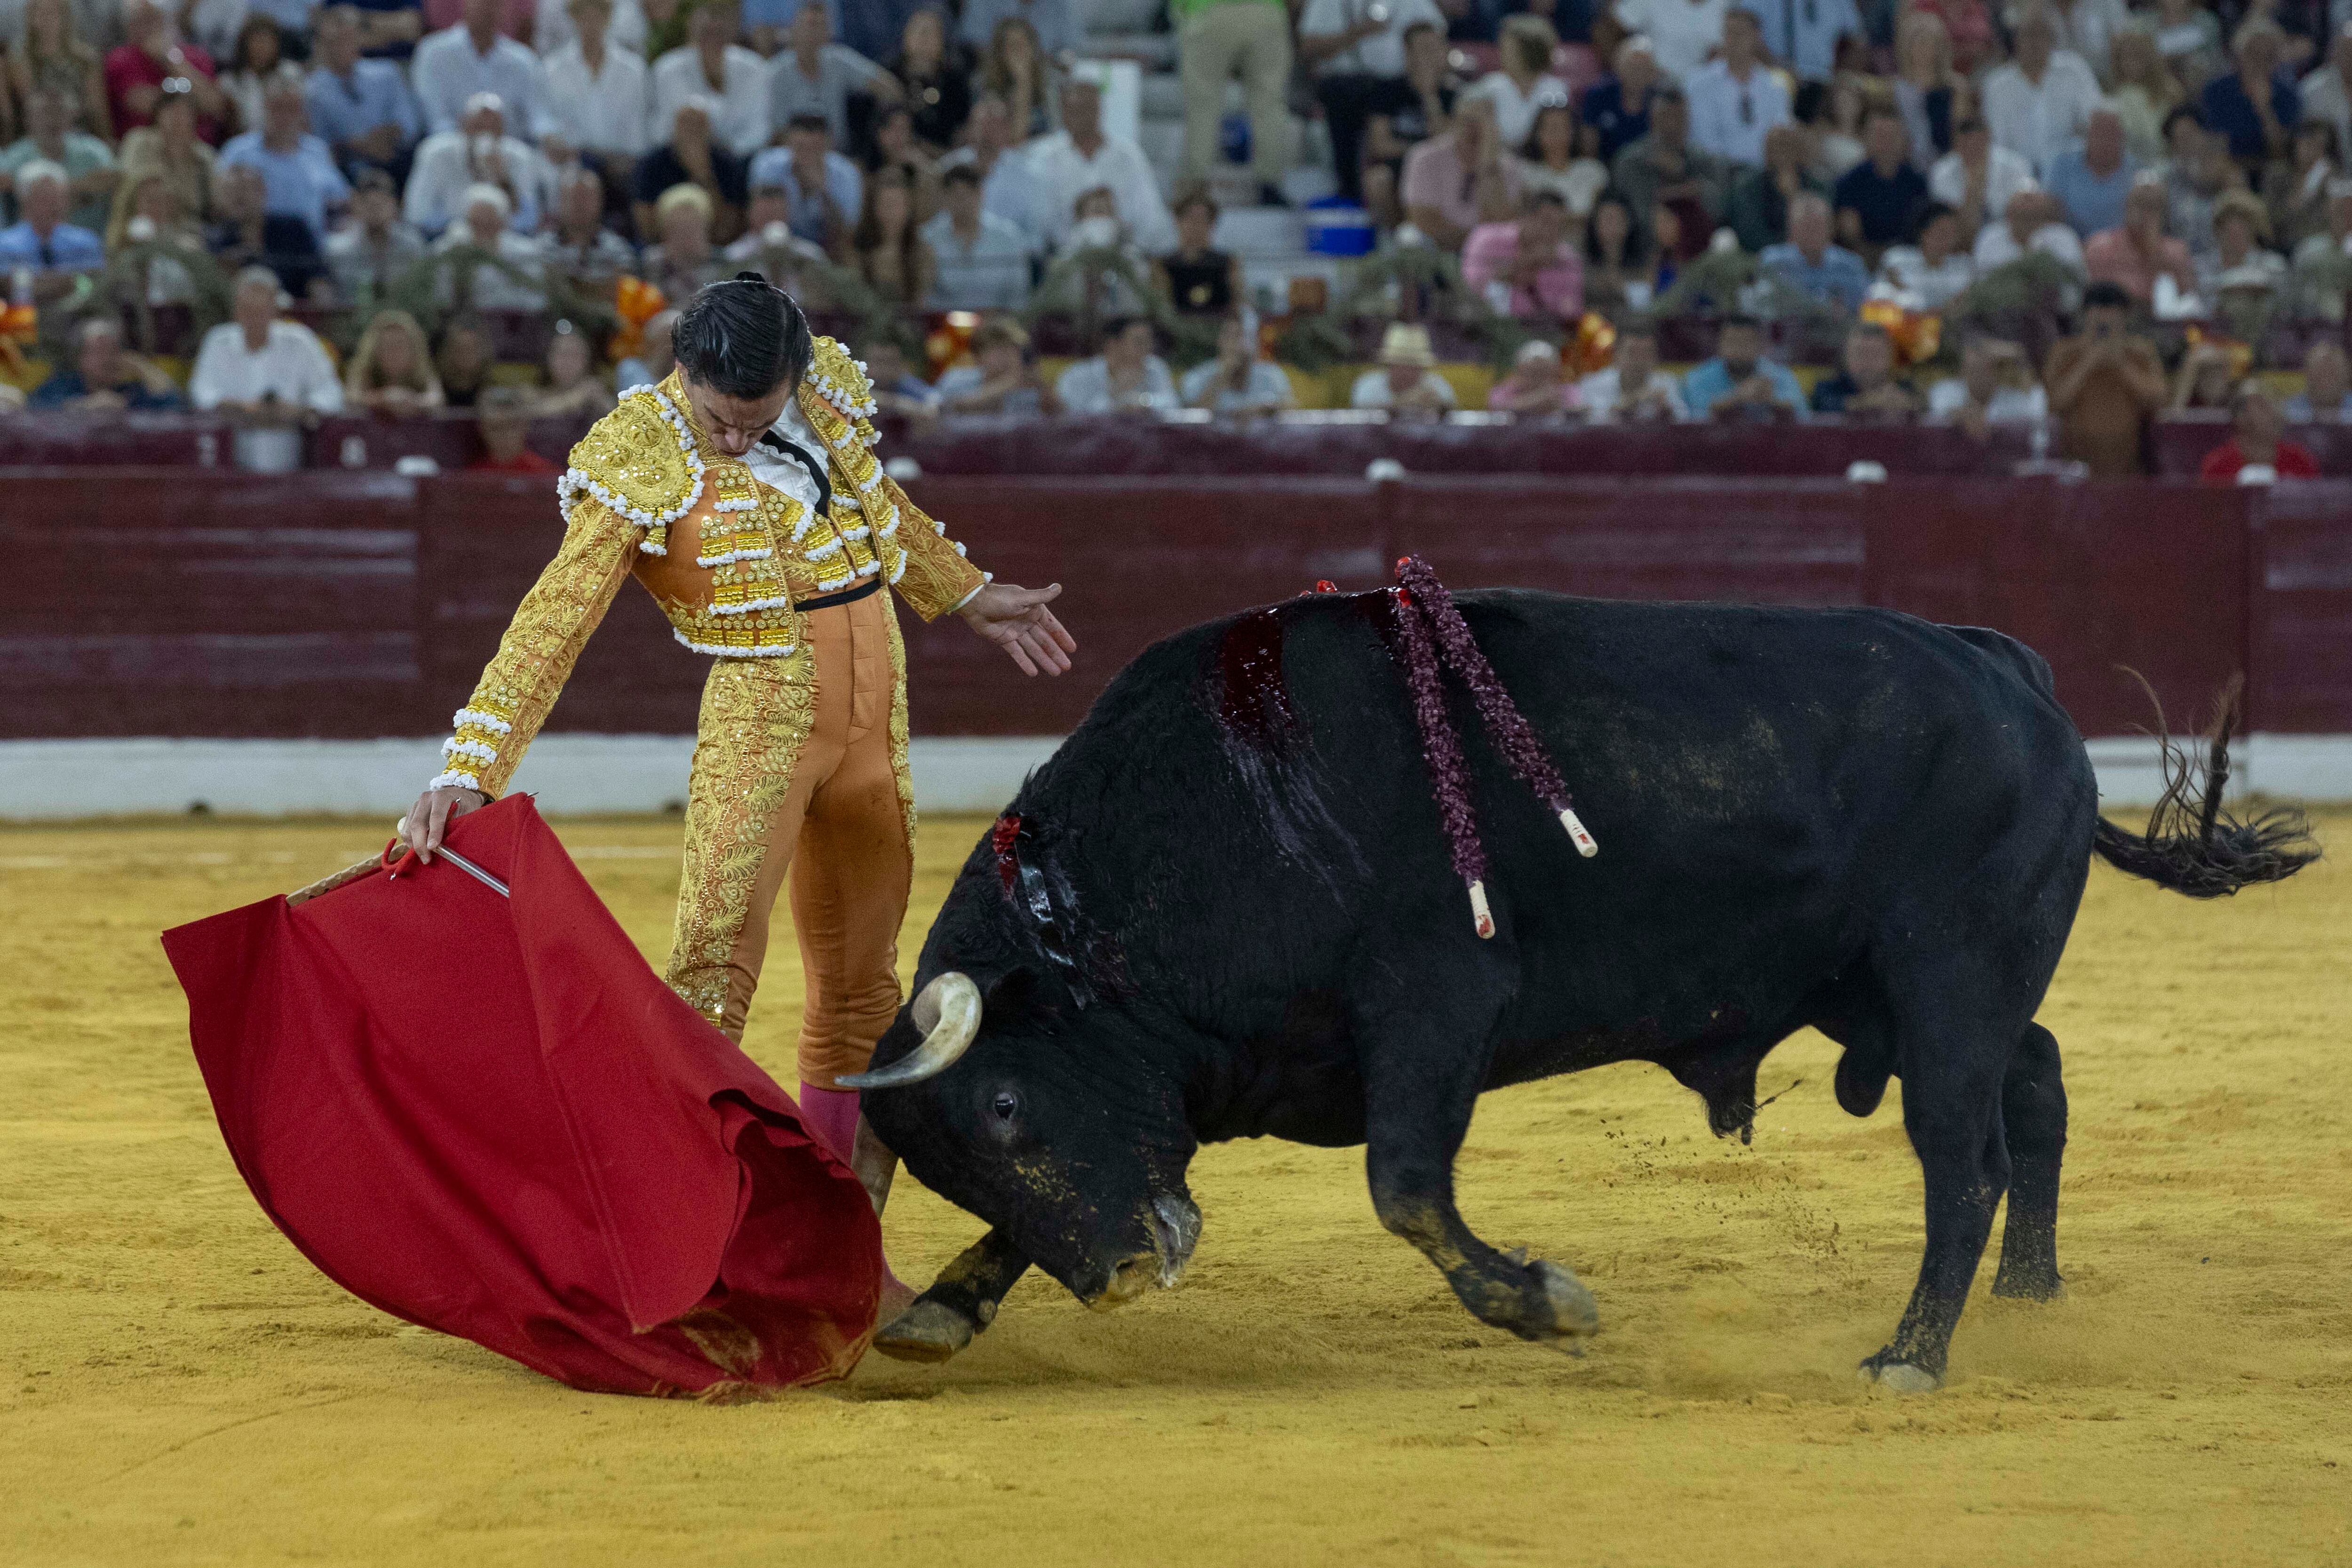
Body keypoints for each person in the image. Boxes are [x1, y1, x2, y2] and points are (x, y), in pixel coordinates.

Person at [402, 279, 1075, 1293]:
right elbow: (554, 622)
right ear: (687, 374)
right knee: (711, 973)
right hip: (760, 716)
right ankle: (682, 1243)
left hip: (875, 711)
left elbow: (876, 506)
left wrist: (964, 593)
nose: (729, 441)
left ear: (795, 378)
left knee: (863, 989)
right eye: (718, 419)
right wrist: (469, 769)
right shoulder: (638, 450)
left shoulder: (825, 397)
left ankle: (837, 1253)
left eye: (752, 421)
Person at [1297, 0, 1450, 204]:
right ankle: (1349, 191)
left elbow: (1436, 35)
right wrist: (1359, 31)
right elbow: (1308, 47)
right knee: (1342, 93)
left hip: (1406, 82)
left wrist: (1429, 91)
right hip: (1356, 84)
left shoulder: (1450, 92)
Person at [1029, 75, 1175, 255]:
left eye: (1084, 109)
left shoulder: (1129, 157)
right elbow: (1040, 223)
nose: (1076, 116)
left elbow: (1151, 219)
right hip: (1065, 260)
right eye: (1070, 109)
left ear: (1098, 110)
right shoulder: (1044, 157)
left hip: (1122, 256)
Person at [2043, 278, 2165, 474]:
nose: (2104, 318)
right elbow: (2055, 403)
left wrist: (2122, 365)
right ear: (2085, 316)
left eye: (2111, 310)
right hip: (2077, 470)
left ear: (2125, 316)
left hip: (2129, 471)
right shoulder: (2065, 353)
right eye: (2098, 309)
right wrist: (2089, 362)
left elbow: (2158, 400)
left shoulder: (2140, 352)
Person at [218, 68, 353, 244]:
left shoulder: (318, 151)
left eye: (293, 108)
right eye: (278, 107)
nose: (285, 117)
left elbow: (342, 201)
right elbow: (220, 205)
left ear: (303, 113)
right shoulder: (238, 151)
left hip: (309, 250)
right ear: (265, 107)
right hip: (255, 246)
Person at [190, 263, 345, 415]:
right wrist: (242, 408)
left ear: (275, 311)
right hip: (232, 436)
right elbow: (201, 394)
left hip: (292, 435)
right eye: (248, 311)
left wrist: (298, 410)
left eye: (261, 312)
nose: (254, 319)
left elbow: (331, 393)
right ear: (236, 311)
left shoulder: (299, 340)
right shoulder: (218, 341)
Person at [406, 92, 556, 235]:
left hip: (503, 240)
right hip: (448, 238)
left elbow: (529, 220)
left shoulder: (520, 156)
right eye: (478, 127)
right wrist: (470, 227)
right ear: (463, 126)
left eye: (493, 128)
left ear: (503, 131)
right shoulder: (436, 153)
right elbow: (417, 213)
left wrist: (503, 181)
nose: (485, 134)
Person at [307, 7, 423, 185]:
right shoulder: (312, 90)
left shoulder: (387, 73)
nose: (343, 47)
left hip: (391, 160)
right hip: (344, 170)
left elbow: (409, 125)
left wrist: (385, 137)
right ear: (322, 45)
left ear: (359, 39)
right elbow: (317, 143)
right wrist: (359, 147)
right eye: (336, 41)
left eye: (349, 39)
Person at [1980, 9, 2101, 175]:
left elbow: (2095, 121)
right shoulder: (1997, 85)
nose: (2034, 42)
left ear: (2052, 39)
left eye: (2041, 34)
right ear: (2015, 40)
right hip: (2017, 175)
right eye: (2028, 35)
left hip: (2071, 171)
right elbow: (1997, 143)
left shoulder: (2074, 70)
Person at [1608, 87, 1723, 260]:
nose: (1673, 126)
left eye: (1680, 118)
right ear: (1653, 120)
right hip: (1643, 254)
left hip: (1699, 253)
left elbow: (1719, 209)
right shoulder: (1631, 161)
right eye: (1666, 117)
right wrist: (1681, 192)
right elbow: (1637, 217)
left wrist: (1681, 173)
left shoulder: (1702, 160)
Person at [541, 0, 648, 183]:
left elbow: (637, 133)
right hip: (571, 174)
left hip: (622, 172)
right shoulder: (552, 70)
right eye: (584, 15)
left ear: (608, 17)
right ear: (573, 17)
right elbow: (547, 125)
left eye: (597, 14)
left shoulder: (634, 70)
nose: (591, 22)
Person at [411, 0, 548, 139]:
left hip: (509, 149)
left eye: (494, 3)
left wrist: (548, 137)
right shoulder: (433, 52)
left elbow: (539, 116)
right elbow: (434, 118)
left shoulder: (523, 60)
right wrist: (468, 138)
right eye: (481, 2)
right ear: (465, 4)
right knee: (434, 152)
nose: (487, 8)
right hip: (451, 146)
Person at [766, 1, 894, 150]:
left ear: (829, 33)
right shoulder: (776, 73)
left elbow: (888, 88)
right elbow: (776, 133)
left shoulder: (838, 60)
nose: (813, 33)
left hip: (839, 156)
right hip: (794, 156)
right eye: (810, 25)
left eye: (821, 26)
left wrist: (878, 136)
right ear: (794, 29)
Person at [650, 0, 767, 159]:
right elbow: (661, 133)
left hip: (738, 165)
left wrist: (722, 156)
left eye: (719, 29)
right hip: (679, 162)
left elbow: (759, 132)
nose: (714, 27)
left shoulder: (755, 68)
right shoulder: (666, 69)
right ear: (690, 24)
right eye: (707, 30)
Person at [1402, 95, 1520, 249]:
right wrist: (1476, 242)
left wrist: (1488, 167)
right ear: (1454, 122)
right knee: (1410, 238)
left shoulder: (1508, 167)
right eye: (1467, 122)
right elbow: (1423, 219)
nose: (1473, 131)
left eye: (1481, 124)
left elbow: (1503, 225)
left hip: (1488, 255)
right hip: (1436, 249)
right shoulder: (1426, 157)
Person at [106, 0, 230, 143]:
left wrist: (170, 59)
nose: (147, 28)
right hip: (147, 146)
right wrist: (194, 103)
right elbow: (145, 105)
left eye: (153, 20)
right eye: (139, 21)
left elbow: (214, 105)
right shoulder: (120, 59)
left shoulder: (196, 57)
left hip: (197, 147)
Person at [0, 83, 115, 234]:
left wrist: (42, 192)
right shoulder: (15, 156)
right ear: (27, 119)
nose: (52, 120)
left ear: (73, 116)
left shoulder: (92, 150)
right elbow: (4, 182)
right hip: (31, 247)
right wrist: (80, 191)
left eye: (59, 112)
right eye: (44, 113)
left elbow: (115, 178)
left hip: (90, 240)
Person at [937, 93, 1045, 248]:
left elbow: (1037, 235)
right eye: (981, 127)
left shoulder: (1029, 173)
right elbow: (940, 222)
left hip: (1009, 259)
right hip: (956, 256)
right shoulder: (949, 167)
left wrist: (1001, 245)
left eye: (994, 127)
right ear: (970, 130)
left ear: (1007, 130)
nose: (986, 135)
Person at [635, 98, 748, 244]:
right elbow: (647, 229)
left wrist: (703, 175)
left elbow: (727, 231)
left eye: (697, 126)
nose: (691, 134)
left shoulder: (727, 165)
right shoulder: (652, 165)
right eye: (686, 126)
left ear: (709, 130)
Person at [1685, 8, 1788, 169]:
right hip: (1718, 173)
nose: (1734, 40)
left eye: (1741, 34)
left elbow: (1781, 132)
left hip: (1764, 174)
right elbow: (1703, 140)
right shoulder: (1700, 83)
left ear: (1756, 38)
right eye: (1729, 33)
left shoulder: (1774, 85)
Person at [208, 158, 327, 298]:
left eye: (244, 189)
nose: (237, 197)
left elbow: (319, 277)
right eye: (230, 191)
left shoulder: (293, 229)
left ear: (262, 191)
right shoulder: (216, 241)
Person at [920, 160, 1028, 309]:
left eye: (969, 194)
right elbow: (923, 296)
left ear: (981, 194)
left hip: (996, 324)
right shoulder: (927, 239)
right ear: (945, 198)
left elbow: (1017, 296)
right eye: (956, 195)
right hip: (943, 324)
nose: (963, 202)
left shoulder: (1008, 238)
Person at [748, 112, 858, 255]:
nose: (807, 155)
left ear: (829, 144)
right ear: (788, 141)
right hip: (778, 242)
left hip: (827, 250)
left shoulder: (846, 174)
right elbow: (759, 218)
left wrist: (823, 192)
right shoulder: (767, 165)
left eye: (814, 147)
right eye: (801, 147)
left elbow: (848, 235)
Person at [1462, 190, 1583, 319]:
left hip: (1541, 332)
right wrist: (1523, 264)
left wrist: (1538, 279)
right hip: (1483, 327)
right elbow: (1467, 289)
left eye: (1559, 226)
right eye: (1546, 222)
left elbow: (1572, 312)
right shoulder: (1486, 239)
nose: (1552, 233)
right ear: (1526, 218)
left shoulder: (1567, 259)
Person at [113, 77, 215, 227]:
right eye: (169, 108)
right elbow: (129, 186)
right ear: (158, 113)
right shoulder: (139, 141)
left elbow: (212, 204)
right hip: (143, 225)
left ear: (194, 117)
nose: (176, 116)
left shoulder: (204, 155)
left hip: (191, 230)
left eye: (183, 110)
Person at [2082, 172, 2195, 303]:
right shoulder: (2100, 248)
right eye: (2140, 203)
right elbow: (2097, 300)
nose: (2145, 213)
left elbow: (2188, 301)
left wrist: (2155, 254)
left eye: (2153, 206)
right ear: (2127, 206)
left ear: (2164, 214)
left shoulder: (2177, 253)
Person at [8, 0, 111, 142]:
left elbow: (97, 110)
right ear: (31, 18)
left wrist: (106, 140)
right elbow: (30, 105)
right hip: (38, 137)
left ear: (65, 17)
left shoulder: (86, 59)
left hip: (80, 134)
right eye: (41, 13)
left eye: (54, 13)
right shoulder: (21, 59)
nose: (47, 19)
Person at [1834, 104, 1927, 261]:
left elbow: (1923, 230)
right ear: (1866, 139)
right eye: (1879, 135)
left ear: (1904, 140)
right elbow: (1850, 235)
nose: (1886, 143)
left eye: (1892, 136)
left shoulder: (1918, 183)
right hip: (1865, 258)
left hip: (1910, 259)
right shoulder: (1850, 182)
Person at [1462, 14, 1565, 152]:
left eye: (1509, 48)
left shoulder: (1556, 89)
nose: (1502, 53)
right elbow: (1463, 122)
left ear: (1529, 51)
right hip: (1499, 162)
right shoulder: (1490, 86)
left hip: (1540, 164)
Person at [2199, 19, 2296, 167]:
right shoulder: (2217, 90)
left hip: (2268, 167)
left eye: (2268, 57)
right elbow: (2214, 140)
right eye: (2254, 54)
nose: (2259, 63)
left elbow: (2281, 152)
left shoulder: (2286, 95)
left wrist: (2265, 109)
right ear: (2240, 55)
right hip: (2228, 167)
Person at [28, 315, 182, 408]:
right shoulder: (61, 386)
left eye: (113, 351)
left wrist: (142, 367)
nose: (108, 359)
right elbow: (35, 409)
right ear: (81, 358)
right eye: (99, 352)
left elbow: (173, 404)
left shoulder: (132, 391)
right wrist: (87, 406)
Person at [1930, 114, 2037, 243]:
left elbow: (2027, 210)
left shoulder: (2017, 166)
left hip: (2010, 237)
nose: (1972, 149)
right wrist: (1973, 192)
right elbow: (1950, 224)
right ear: (1956, 143)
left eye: (1977, 142)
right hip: (1962, 242)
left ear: (1987, 138)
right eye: (1966, 143)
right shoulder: (1941, 172)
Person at [326, 166, 426, 302]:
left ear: (395, 204)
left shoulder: (413, 246)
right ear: (356, 205)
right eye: (369, 204)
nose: (376, 211)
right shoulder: (338, 251)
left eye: (381, 204)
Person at [1683, 312, 1804, 420]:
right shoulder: (1698, 377)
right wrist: (1737, 397)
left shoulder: (1779, 375)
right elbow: (1695, 421)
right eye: (1732, 342)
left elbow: (1803, 418)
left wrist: (1771, 401)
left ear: (1760, 346)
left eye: (1746, 342)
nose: (1738, 349)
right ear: (1720, 345)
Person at [1760, 191, 1869, 311]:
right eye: (1806, 227)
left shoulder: (1850, 266)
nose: (1813, 234)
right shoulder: (1774, 262)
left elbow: (1860, 313)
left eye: (1818, 226)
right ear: (1792, 230)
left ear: (1831, 228)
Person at [1725, 122, 1827, 250]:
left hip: (1813, 255)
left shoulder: (1817, 186)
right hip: (1764, 256)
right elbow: (1750, 234)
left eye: (1787, 146)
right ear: (1766, 152)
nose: (1782, 153)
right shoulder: (1749, 189)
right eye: (1777, 146)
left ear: (1799, 150)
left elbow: (1826, 227)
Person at [884, 5, 969, 156]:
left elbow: (962, 129)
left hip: (945, 157)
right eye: (920, 32)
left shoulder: (954, 80)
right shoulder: (888, 76)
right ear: (906, 37)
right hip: (898, 156)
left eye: (932, 34)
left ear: (942, 42)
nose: (925, 40)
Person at [1927, 333, 2047, 435]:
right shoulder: (1945, 390)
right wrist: (1962, 415)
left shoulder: (2010, 397)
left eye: (1989, 367)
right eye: (1973, 368)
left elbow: (2037, 410)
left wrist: (2019, 358)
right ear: (1963, 370)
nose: (1981, 375)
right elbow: (1938, 411)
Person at [1179, 310, 1295, 416]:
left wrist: (1265, 409)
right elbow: (1193, 421)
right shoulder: (1197, 376)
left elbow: (1291, 413)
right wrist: (1223, 375)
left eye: (1246, 337)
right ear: (1220, 340)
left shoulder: (1272, 375)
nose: (1239, 344)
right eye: (1233, 336)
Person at [2044, 105, 2137, 237]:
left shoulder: (2136, 172)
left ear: (2122, 138)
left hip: (2121, 248)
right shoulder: (2064, 166)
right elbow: (2052, 214)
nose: (2105, 141)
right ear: (2087, 136)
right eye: (2099, 134)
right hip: (2072, 244)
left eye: (2111, 135)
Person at [1054, 315, 1177, 414]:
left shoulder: (1154, 367)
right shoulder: (1078, 376)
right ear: (1113, 345)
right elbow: (1073, 417)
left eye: (1149, 343)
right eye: (1139, 343)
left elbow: (1173, 404)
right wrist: (1114, 395)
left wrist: (1143, 401)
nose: (1147, 349)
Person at [934, 313, 1054, 413]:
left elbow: (1061, 418)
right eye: (998, 350)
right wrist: (1005, 384)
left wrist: (1041, 387)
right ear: (978, 357)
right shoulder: (956, 379)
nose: (1008, 356)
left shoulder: (1028, 388)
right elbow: (941, 409)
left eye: (1013, 349)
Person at [1890, 9, 1963, 172]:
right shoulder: (1897, 88)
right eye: (1918, 42)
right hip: (1908, 165)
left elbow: (1960, 130)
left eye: (1929, 42)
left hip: (1945, 163)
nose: (1923, 49)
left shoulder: (1954, 86)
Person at [851, 163, 933, 307]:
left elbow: (921, 305)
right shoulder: (856, 250)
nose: (892, 213)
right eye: (886, 205)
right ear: (874, 208)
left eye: (897, 205)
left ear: (909, 208)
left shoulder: (922, 252)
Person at [2199, 382, 2320, 479]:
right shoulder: (2218, 466)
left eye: (2276, 403)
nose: (2275, 412)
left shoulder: (2299, 461)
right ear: (2240, 417)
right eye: (2263, 405)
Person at [343, 306, 447, 414]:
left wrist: (411, 401)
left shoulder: (423, 372)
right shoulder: (363, 370)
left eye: (400, 345)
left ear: (414, 350)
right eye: (387, 346)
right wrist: (383, 398)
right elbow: (351, 398)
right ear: (374, 351)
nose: (394, 353)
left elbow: (437, 399)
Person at [1576, 318, 1686, 420]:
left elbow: (1685, 420)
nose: (1639, 361)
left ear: (1655, 358)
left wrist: (1668, 411)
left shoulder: (1667, 384)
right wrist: (1632, 401)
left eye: (1646, 353)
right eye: (1632, 353)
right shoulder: (1594, 384)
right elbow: (1593, 423)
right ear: (1617, 356)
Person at [1808, 318, 1921, 417]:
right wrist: (1869, 403)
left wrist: (1908, 404)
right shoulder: (1826, 389)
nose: (1868, 362)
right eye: (1860, 354)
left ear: (1890, 358)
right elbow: (1826, 407)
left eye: (1876, 354)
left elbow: (1923, 408)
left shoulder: (1906, 388)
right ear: (1846, 357)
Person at [1516, 102, 1607, 221]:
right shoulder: (1526, 173)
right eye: (1552, 128)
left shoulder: (1593, 170)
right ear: (1538, 134)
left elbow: (1600, 217)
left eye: (1564, 127)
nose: (1558, 134)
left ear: (1573, 132)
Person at [1154, 186, 1238, 315]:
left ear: (1212, 223)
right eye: (1191, 218)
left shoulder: (1229, 263)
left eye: (1203, 219)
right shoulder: (1162, 265)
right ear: (1178, 221)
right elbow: (1159, 307)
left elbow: (1237, 306)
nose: (1197, 225)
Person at [1876, 200, 1974, 306]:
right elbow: (1888, 295)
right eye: (1942, 232)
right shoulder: (1898, 258)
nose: (1949, 239)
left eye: (1953, 233)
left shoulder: (1964, 265)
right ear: (1924, 233)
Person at [2264, 117, 2339, 254]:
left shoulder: (2333, 177)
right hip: (2286, 244)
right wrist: (2307, 186)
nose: (2315, 152)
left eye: (2322, 147)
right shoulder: (2277, 175)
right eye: (2310, 144)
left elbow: (2336, 221)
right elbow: (2272, 220)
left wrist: (2319, 180)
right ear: (2295, 143)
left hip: (2323, 244)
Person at [641, 179, 726, 300]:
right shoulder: (653, 264)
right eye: (678, 228)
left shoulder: (723, 262)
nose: (686, 235)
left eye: (692, 227)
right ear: (665, 233)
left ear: (706, 227)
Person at [1348, 320, 1457, 415]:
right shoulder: (1368, 386)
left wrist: (1440, 407)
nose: (1406, 371)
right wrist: (1402, 403)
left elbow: (1452, 416)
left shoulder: (1437, 386)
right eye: (1401, 364)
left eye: (1413, 366)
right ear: (1389, 365)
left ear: (1422, 369)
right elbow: (1361, 417)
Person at [1611, 0, 1730, 85]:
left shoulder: (1727, 5)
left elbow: (1724, 51)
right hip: (1651, 87)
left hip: (1700, 90)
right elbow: (1617, 24)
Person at [1740, 0, 1859, 84]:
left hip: (1825, 84)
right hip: (1776, 79)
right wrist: (1779, 69)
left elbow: (1856, 43)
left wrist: (1839, 78)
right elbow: (1744, 33)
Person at [1580, 35, 1657, 163]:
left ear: (1653, 73)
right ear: (1618, 67)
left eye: (1643, 69)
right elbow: (1588, 146)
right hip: (1605, 168)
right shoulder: (1599, 95)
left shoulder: (1659, 101)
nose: (1637, 74)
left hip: (1646, 171)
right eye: (1632, 67)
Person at [1971, 185, 2086, 272]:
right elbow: (1984, 280)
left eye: (2033, 216)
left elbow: (2072, 280)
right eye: (2020, 215)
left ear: (2046, 218)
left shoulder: (2063, 237)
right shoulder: (1991, 237)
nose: (2025, 223)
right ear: (2008, 216)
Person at [2108, 28, 2180, 167]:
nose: (2131, 63)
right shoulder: (2124, 96)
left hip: (2174, 160)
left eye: (2137, 56)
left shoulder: (2170, 89)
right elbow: (2148, 141)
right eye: (2125, 58)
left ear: (2148, 58)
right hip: (2142, 164)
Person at [532, 318, 615, 417]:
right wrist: (575, 398)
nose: (568, 362)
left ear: (588, 361)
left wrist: (606, 403)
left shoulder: (598, 395)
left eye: (576, 355)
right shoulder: (530, 394)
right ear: (548, 358)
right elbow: (525, 414)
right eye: (563, 354)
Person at [218, 15, 285, 136]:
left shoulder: (289, 75)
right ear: (245, 44)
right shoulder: (228, 82)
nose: (262, 47)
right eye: (257, 41)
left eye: (267, 41)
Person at [466, 383, 556, 471]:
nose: (503, 435)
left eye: (511, 427)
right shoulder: (475, 476)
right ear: (483, 430)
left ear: (525, 426)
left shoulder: (544, 472)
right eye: (496, 428)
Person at [1484, 336, 1582, 415]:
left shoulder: (1566, 391)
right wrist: (1538, 399)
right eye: (1532, 373)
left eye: (1544, 373)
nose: (1538, 378)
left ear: (1555, 373)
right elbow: (1496, 405)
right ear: (1520, 372)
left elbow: (1579, 409)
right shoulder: (1508, 389)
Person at [858, 336, 938, 418]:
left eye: (888, 363)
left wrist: (899, 404)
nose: (881, 369)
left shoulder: (907, 384)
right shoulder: (857, 382)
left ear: (900, 366)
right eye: (877, 362)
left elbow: (935, 406)